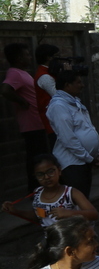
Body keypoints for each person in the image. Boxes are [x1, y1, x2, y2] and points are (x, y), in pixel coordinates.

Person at [2, 153, 98, 227]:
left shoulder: (71, 193)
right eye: (40, 174)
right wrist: (15, 211)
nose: (46, 177)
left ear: (59, 171)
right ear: (35, 176)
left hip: (74, 240)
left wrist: (69, 214)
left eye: (50, 171)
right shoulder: (37, 193)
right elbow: (38, 216)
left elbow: (94, 214)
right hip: (52, 240)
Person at [46, 71, 99, 198]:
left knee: (84, 197)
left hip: (83, 161)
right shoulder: (59, 106)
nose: (82, 85)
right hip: (72, 164)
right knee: (77, 200)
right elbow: (68, 139)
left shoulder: (74, 102)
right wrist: (88, 158)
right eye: (78, 82)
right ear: (67, 85)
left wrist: (93, 155)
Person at [3, 42, 48, 184]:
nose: (30, 58)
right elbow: (5, 90)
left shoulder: (22, 73)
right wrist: (22, 101)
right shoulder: (15, 73)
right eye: (27, 55)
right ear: (19, 58)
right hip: (31, 124)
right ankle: (35, 187)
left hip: (37, 122)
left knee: (40, 156)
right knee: (36, 158)